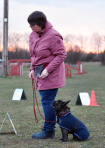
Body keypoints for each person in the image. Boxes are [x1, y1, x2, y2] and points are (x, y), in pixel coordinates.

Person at [28, 11, 67, 139]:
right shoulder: (33, 36)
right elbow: (34, 55)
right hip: (39, 73)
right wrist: (32, 69)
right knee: (46, 101)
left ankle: (49, 131)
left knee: (47, 102)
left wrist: (48, 70)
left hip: (51, 74)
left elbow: (61, 54)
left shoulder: (53, 36)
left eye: (33, 25)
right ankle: (49, 129)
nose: (31, 27)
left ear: (40, 24)